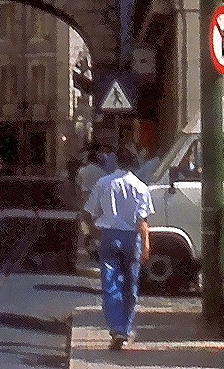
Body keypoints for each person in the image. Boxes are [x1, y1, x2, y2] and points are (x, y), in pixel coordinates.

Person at [83, 146, 154, 351]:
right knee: (130, 284)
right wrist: (146, 244)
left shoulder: (104, 183)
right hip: (132, 238)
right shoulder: (140, 187)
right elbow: (142, 220)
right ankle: (126, 326)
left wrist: (95, 232)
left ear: (115, 162)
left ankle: (116, 328)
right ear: (133, 164)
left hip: (109, 236)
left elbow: (89, 212)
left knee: (110, 282)